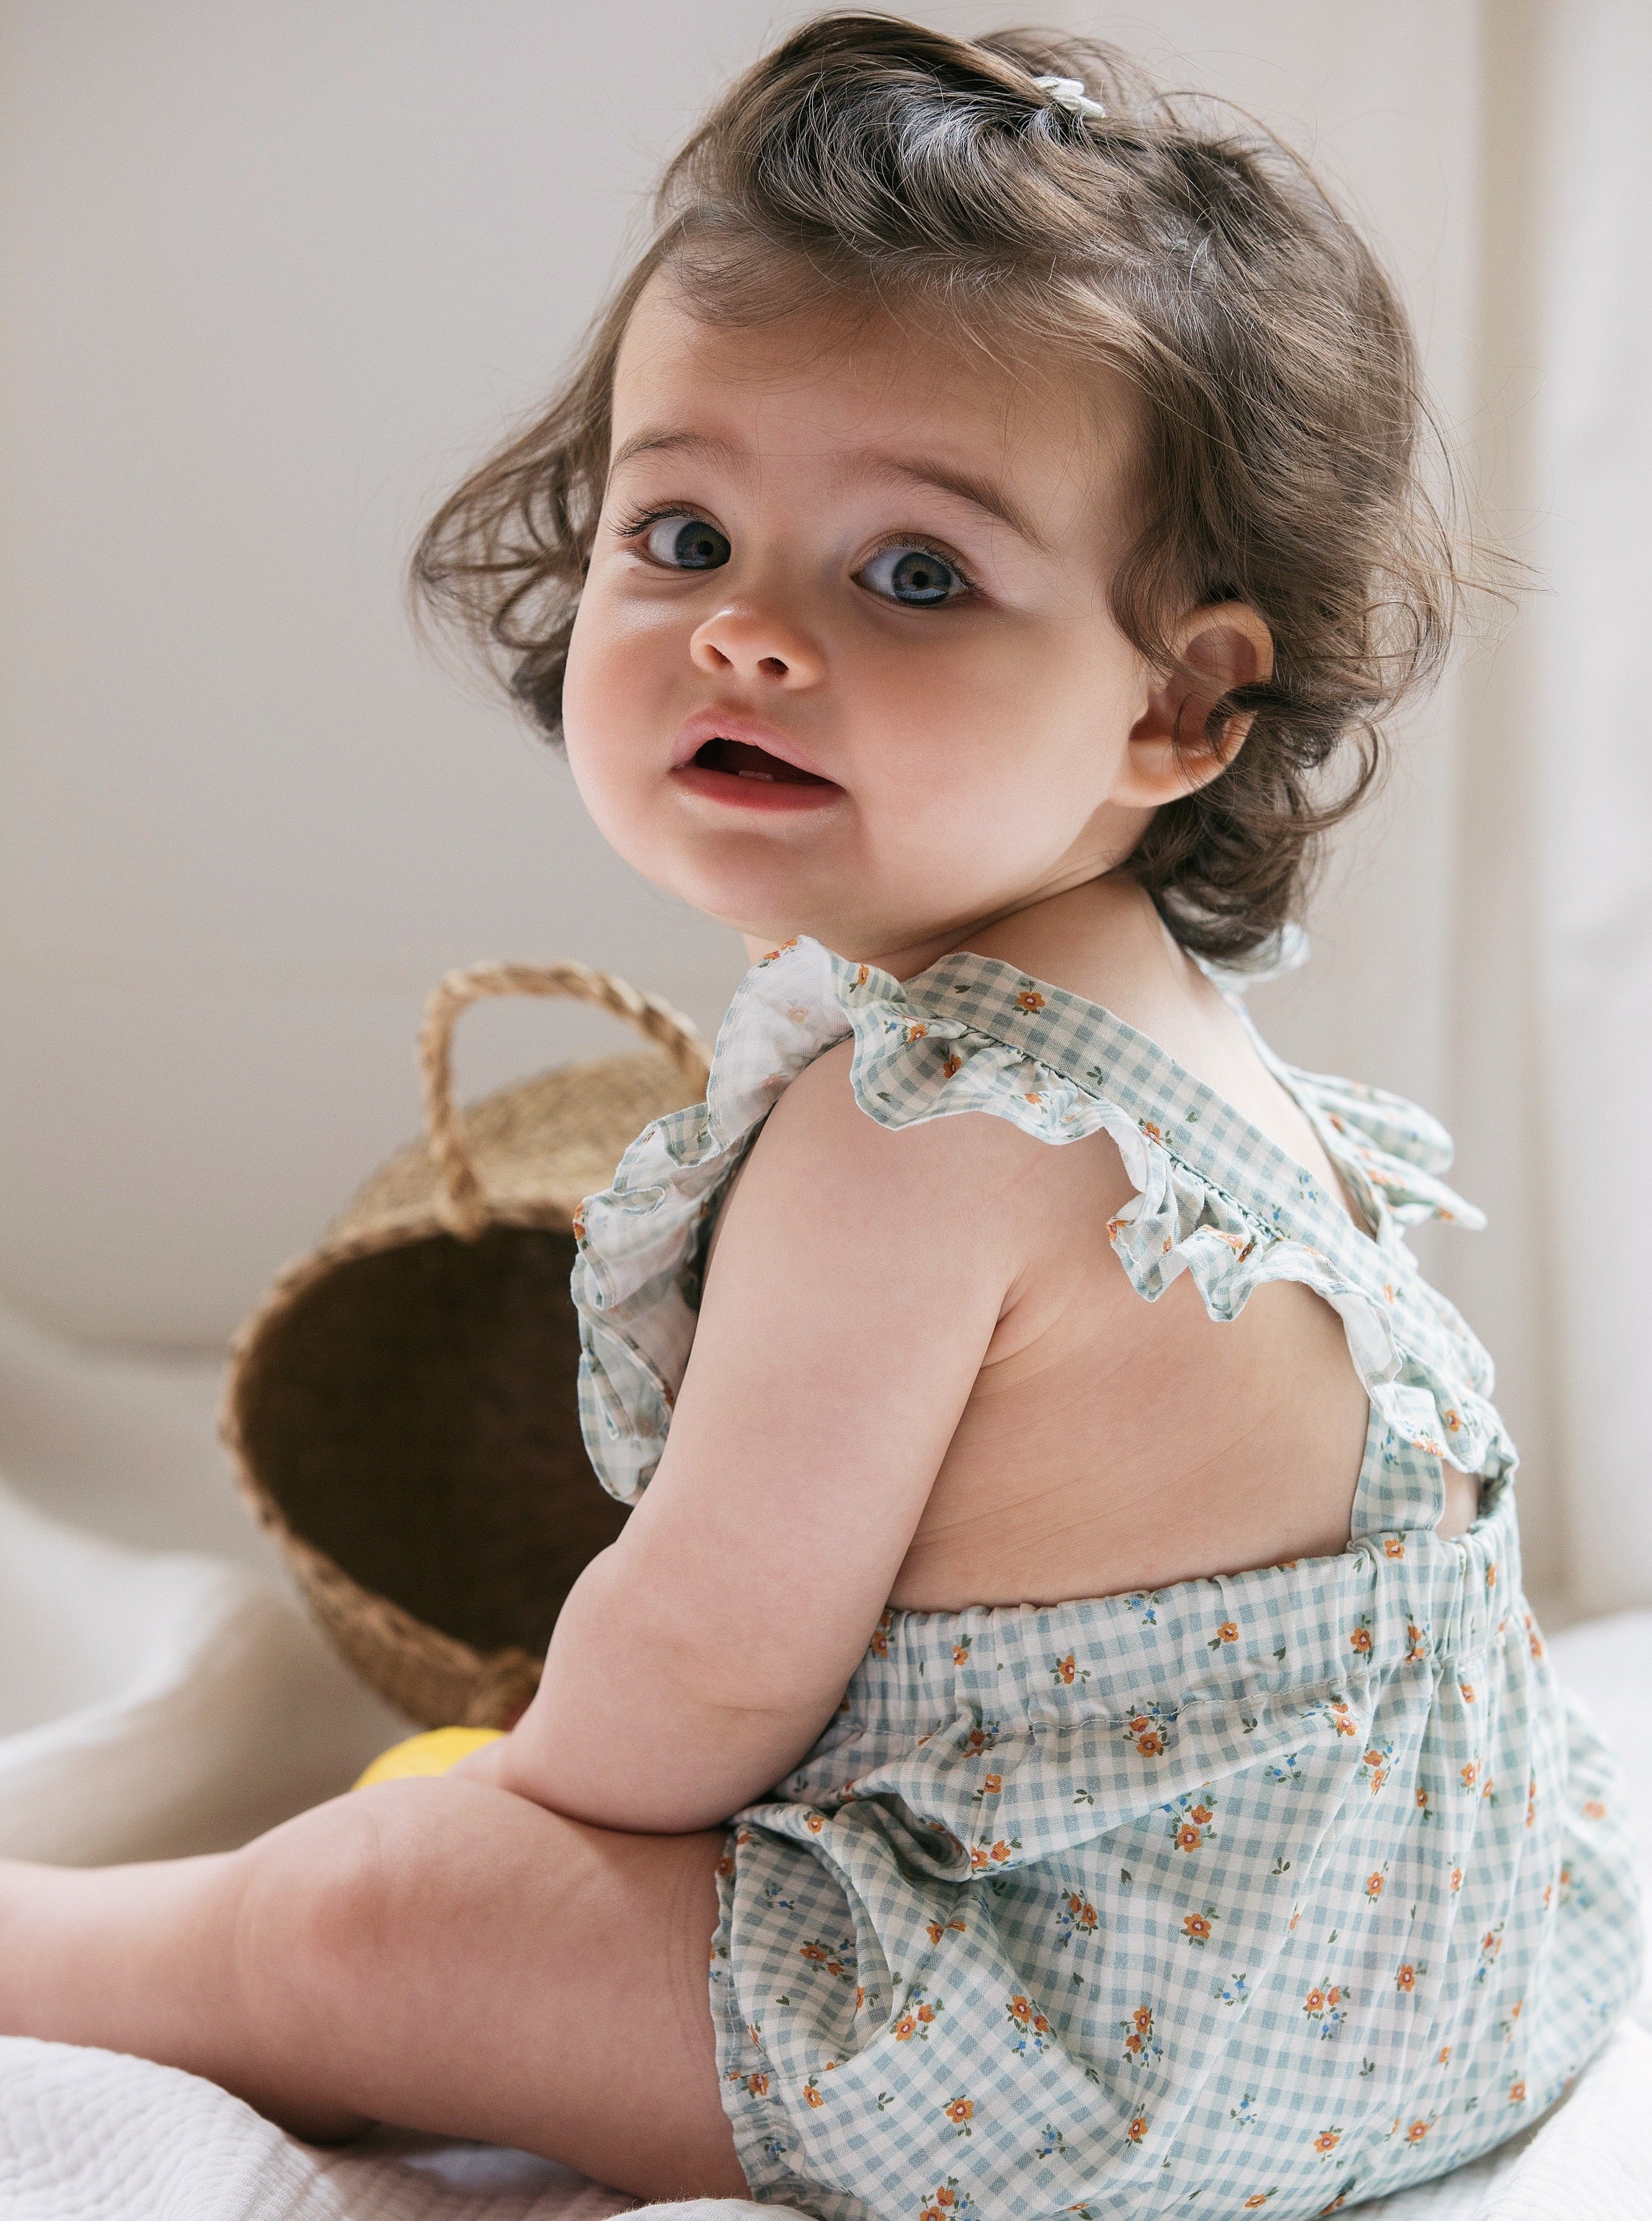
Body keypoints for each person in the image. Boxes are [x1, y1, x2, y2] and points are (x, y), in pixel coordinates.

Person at [2, 18, 1638, 2217]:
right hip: (1421, 1968)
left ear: (1178, 705)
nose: (748, 637)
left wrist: (514, 1841)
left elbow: (706, 1656)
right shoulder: (1147, 1011)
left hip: (1117, 2045)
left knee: (382, 1909)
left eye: (917, 574)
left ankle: (74, 1951)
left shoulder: (925, 1125)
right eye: (683, 532)